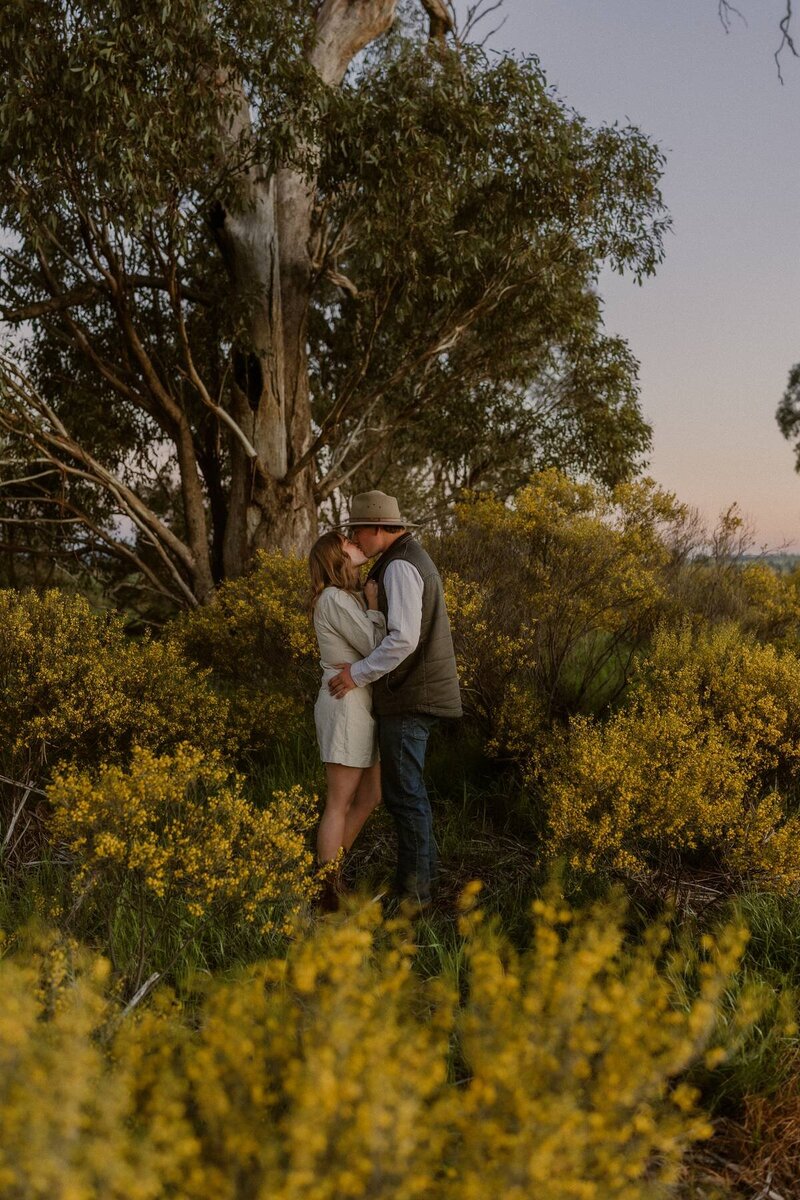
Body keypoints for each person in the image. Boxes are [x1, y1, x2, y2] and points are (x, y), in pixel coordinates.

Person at [328, 490, 462, 907]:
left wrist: (356, 673)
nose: (358, 541)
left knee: (406, 797)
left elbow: (402, 639)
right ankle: (418, 889)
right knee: (407, 795)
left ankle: (415, 899)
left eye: (358, 532)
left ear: (376, 529)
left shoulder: (401, 565)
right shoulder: (401, 559)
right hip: (412, 695)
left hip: (410, 697)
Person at [309, 531, 387, 907]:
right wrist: (373, 606)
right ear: (335, 557)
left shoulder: (344, 597)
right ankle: (326, 891)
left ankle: (331, 875)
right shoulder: (334, 598)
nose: (355, 544)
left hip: (360, 702)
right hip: (344, 706)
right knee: (339, 800)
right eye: (347, 543)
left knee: (371, 795)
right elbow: (376, 646)